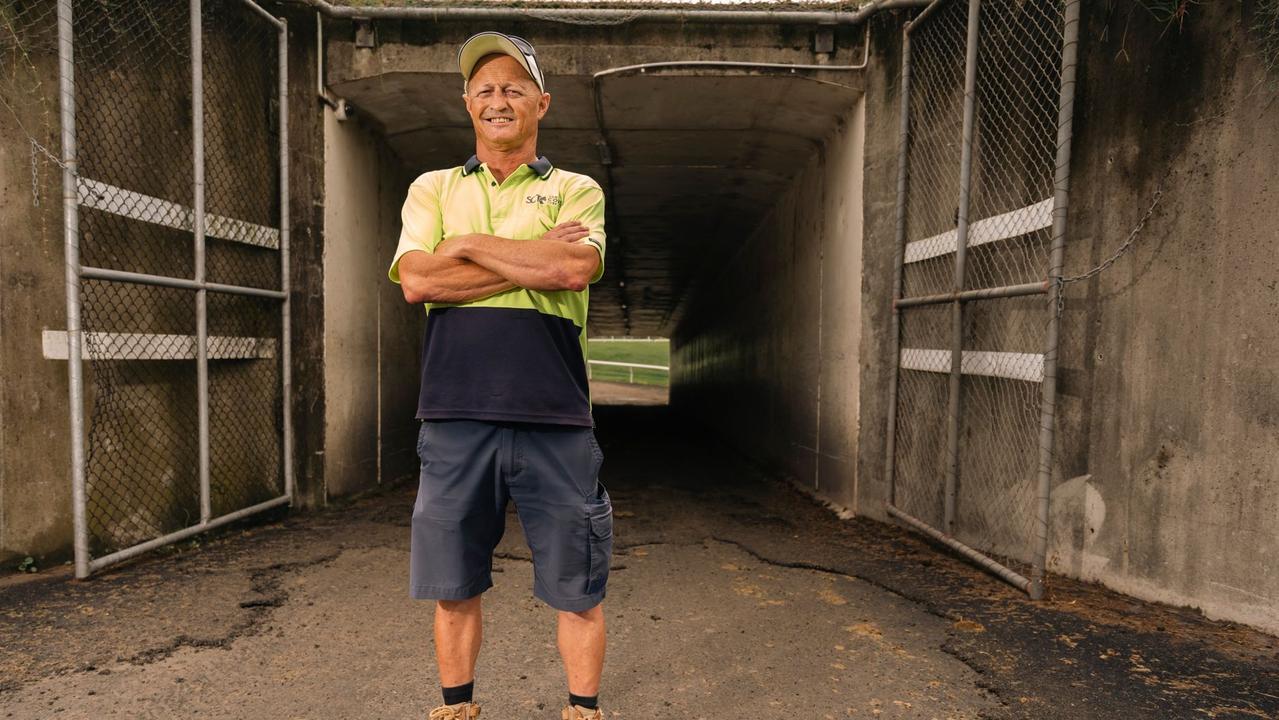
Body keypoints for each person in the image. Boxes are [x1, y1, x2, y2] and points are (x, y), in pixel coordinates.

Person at [387, 31, 612, 720]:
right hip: (454, 415)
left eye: (514, 87)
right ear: (466, 104)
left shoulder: (577, 188)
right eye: (484, 89)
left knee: (579, 587)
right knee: (453, 586)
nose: (498, 99)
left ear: (541, 103)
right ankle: (456, 710)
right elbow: (418, 283)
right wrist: (525, 257)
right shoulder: (433, 187)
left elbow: (570, 269)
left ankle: (582, 712)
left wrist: (466, 251)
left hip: (557, 417)